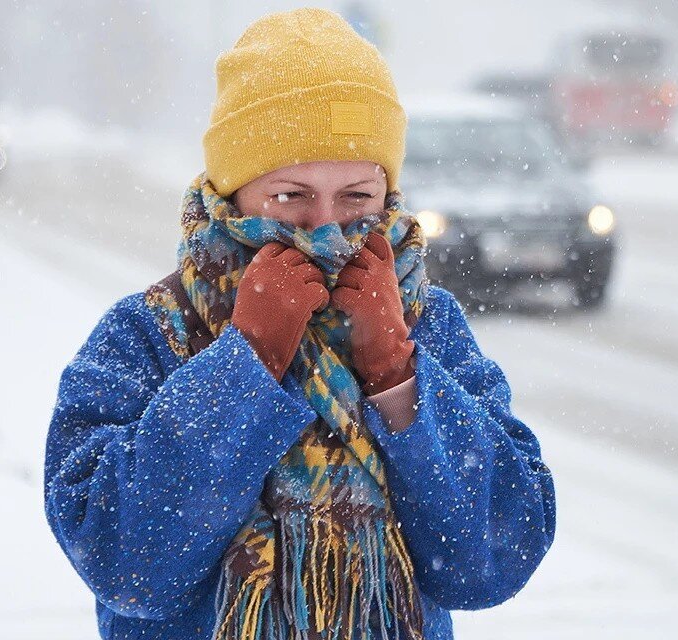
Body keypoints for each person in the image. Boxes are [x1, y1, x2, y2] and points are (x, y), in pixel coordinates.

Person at [43, 8, 556, 640]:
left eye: (356, 198)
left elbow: (493, 561)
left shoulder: (427, 326)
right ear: (235, 194)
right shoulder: (149, 333)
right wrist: (248, 360)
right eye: (290, 197)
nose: (327, 230)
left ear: (388, 195)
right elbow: (129, 565)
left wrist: (398, 375)